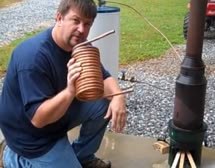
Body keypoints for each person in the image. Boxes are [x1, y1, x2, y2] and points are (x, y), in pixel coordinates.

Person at [0, 0, 127, 167]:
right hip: (31, 136)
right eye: (76, 21)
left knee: (104, 102)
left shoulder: (80, 46)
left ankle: (83, 156)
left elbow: (103, 79)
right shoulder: (33, 57)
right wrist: (70, 91)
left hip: (57, 116)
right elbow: (39, 119)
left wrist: (118, 97)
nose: (82, 30)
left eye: (87, 24)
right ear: (59, 18)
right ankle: (13, 158)